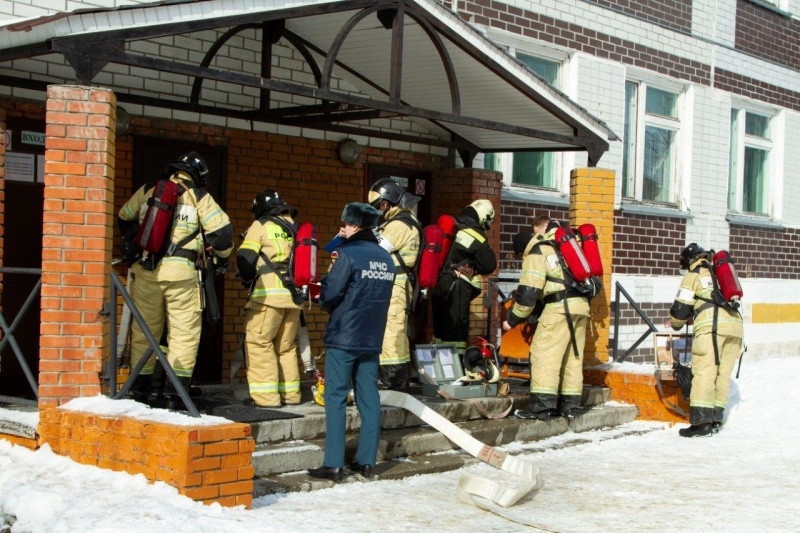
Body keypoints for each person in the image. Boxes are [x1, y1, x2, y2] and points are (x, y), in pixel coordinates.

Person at [118, 151, 233, 409]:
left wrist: (140, 245)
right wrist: (218, 255)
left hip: (146, 270)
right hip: (181, 274)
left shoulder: (149, 190)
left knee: (144, 332)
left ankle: (140, 390)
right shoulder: (199, 197)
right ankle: (176, 393)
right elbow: (223, 236)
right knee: (184, 333)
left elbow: (124, 218)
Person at [307, 203, 395, 482]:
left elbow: (331, 293)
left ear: (355, 226)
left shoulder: (346, 254)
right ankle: (365, 461)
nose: (341, 229)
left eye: (344, 225)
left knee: (335, 397)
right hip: (372, 338)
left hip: (344, 336)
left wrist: (317, 296)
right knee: (369, 399)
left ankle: (333, 463)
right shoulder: (386, 258)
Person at [502, 215, 590, 420]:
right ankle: (570, 406)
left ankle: (541, 407)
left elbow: (527, 294)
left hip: (559, 308)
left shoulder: (537, 251)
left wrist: (513, 319)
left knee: (544, 354)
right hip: (581, 307)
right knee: (572, 358)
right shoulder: (563, 247)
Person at [666, 243, 744, 437]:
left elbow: (681, 308)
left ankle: (701, 424)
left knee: (704, 373)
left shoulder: (693, 276)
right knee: (722, 375)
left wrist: (675, 324)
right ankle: (716, 419)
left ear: (689, 261)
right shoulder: (718, 274)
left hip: (712, 329)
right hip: (736, 327)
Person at [236, 189, 302, 408]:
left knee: (259, 343)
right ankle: (291, 395)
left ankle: (266, 398)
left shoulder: (261, 225)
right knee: (286, 347)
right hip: (293, 298)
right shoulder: (293, 227)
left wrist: (247, 279)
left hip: (267, 298)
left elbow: (245, 258)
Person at [367, 178, 422, 392]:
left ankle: (392, 380)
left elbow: (377, 250)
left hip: (396, 287)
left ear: (390, 201)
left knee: (392, 332)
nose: (379, 210)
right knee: (394, 331)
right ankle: (396, 379)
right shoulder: (397, 222)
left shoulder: (399, 224)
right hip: (394, 286)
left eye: (381, 205)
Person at [431, 199, 497, 353]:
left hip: (438, 282)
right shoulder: (476, 234)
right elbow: (488, 265)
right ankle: (457, 365)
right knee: (457, 329)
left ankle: (440, 368)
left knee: (440, 329)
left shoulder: (452, 226)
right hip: (457, 285)